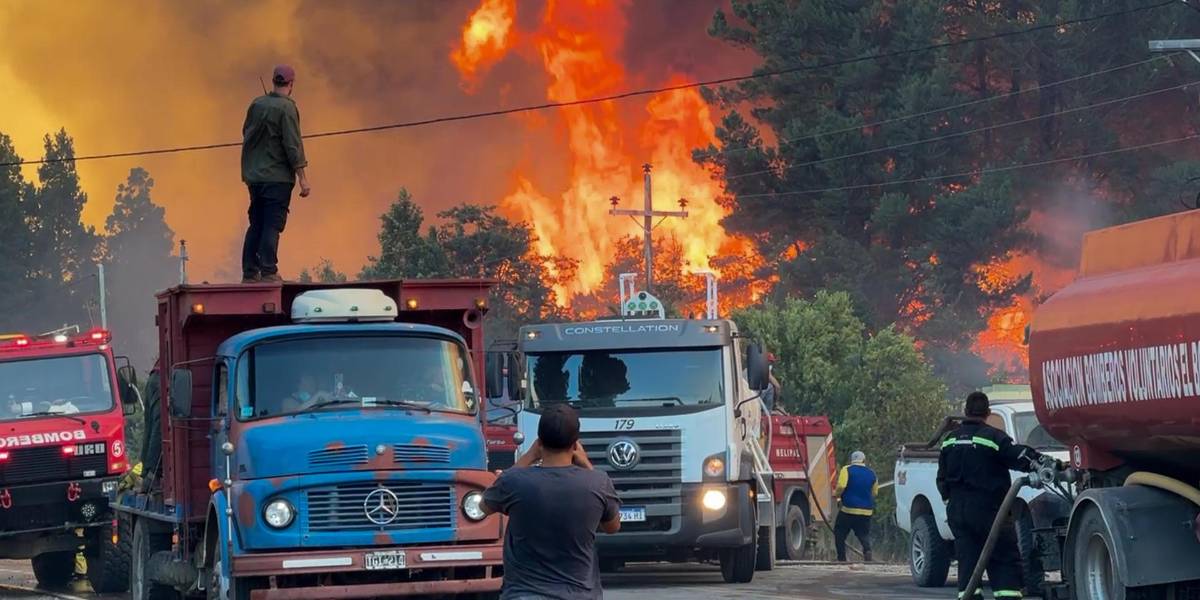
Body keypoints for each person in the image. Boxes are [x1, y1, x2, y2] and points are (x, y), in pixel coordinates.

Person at [482, 404, 621, 600]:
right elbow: (613, 527)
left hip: (523, 594)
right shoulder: (598, 482)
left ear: (539, 442)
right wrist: (586, 463)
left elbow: (484, 506)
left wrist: (529, 456)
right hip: (580, 594)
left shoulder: (514, 481)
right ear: (575, 444)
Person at [937, 391, 1046, 600]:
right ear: (987, 413)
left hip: (958, 513)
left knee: (968, 564)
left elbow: (941, 478)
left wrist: (950, 501)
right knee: (1003, 560)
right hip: (990, 513)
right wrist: (1044, 462)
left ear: (966, 411)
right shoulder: (994, 438)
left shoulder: (949, 440)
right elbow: (1018, 456)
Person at [240, 64, 311, 283]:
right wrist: (303, 178)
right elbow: (292, 145)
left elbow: (246, 132)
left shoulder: (256, 104)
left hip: (254, 177)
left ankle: (250, 272)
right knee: (272, 224)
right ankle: (269, 271)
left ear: (273, 81)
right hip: (277, 178)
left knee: (257, 223)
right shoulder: (287, 108)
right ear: (291, 84)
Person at [833, 450, 878, 562]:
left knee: (839, 532)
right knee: (863, 534)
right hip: (866, 512)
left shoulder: (846, 469)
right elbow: (875, 493)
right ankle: (867, 551)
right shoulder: (872, 473)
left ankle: (841, 558)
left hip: (848, 510)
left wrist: (836, 494)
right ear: (864, 460)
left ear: (852, 460)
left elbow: (842, 486)